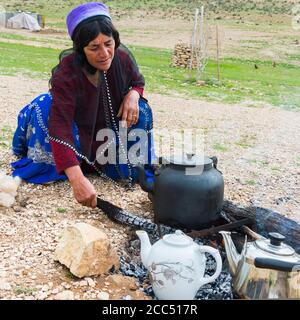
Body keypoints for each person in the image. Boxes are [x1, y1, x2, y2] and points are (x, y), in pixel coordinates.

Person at [11, 2, 155, 208]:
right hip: (75, 128)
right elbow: (60, 125)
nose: (105, 54)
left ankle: (120, 165)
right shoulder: (67, 73)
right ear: (81, 49)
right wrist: (76, 179)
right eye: (94, 48)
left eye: (108, 43)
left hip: (105, 130)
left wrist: (134, 94)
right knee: (45, 107)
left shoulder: (122, 58)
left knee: (141, 109)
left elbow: (137, 81)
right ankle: (70, 165)